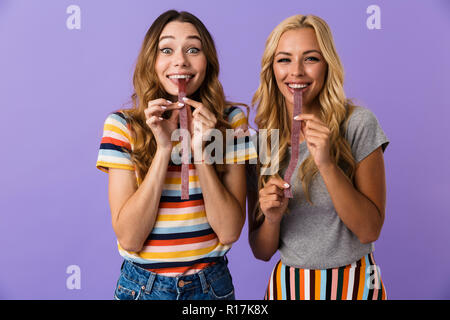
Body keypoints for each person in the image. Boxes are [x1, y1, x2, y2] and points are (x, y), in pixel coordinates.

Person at [96, 10, 256, 300]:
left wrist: (200, 152)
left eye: (193, 49)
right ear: (152, 62)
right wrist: (164, 149)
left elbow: (230, 231)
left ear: (207, 62)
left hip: (211, 286)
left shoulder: (231, 122)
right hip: (143, 288)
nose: (180, 60)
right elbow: (130, 238)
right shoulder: (122, 125)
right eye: (166, 49)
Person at [247, 14, 389, 300]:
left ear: (327, 65)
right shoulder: (262, 141)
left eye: (310, 59)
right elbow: (262, 252)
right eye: (284, 59)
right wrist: (272, 218)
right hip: (289, 286)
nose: (296, 72)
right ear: (271, 69)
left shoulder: (358, 124)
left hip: (356, 284)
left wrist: (326, 163)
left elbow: (369, 230)